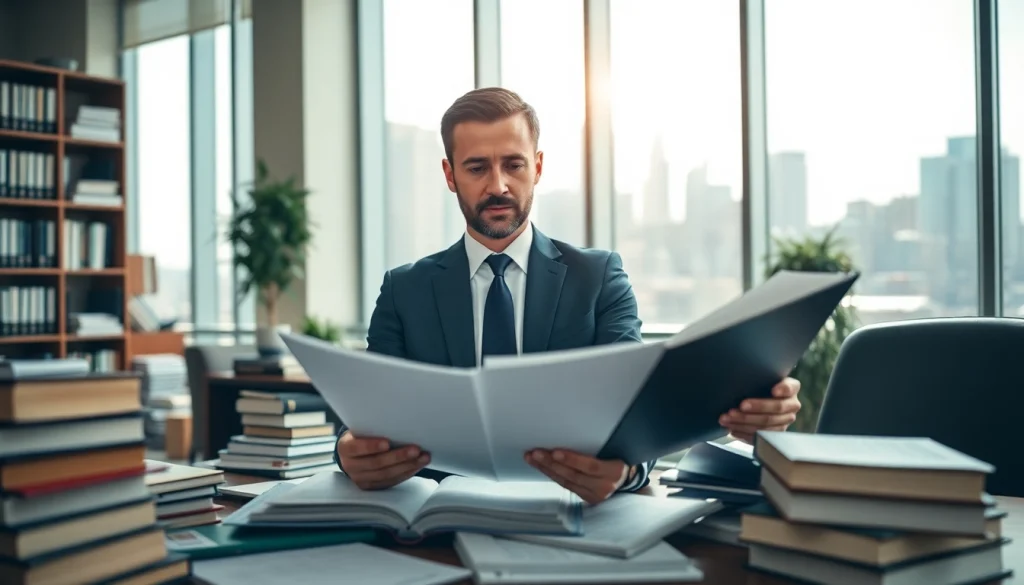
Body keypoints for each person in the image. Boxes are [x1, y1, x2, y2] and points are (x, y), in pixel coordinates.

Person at [334, 87, 802, 505]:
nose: (497, 185)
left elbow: (633, 412)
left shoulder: (598, 277)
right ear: (450, 174)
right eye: (477, 167)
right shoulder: (405, 289)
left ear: (537, 167)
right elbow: (360, 416)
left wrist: (623, 474)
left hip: (570, 514)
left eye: (513, 164)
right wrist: (348, 452)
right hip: (435, 525)